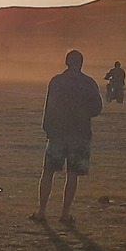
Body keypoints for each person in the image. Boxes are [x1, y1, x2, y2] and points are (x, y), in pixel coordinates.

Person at [35, 49, 103, 224]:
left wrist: (48, 128)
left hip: (57, 133)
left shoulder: (56, 82)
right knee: (72, 174)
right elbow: (97, 109)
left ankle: (41, 211)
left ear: (66, 62)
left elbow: (49, 106)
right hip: (79, 134)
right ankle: (65, 214)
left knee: (48, 171)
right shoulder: (88, 83)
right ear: (81, 63)